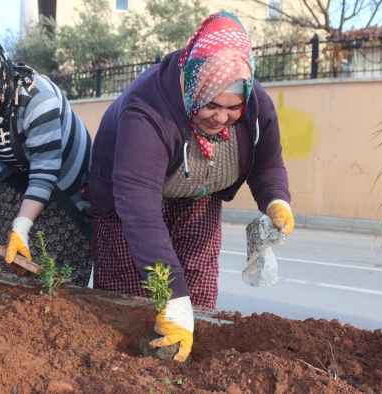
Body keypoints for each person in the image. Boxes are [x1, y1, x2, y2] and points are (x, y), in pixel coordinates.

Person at [85, 12, 294, 362]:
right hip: (129, 207)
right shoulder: (147, 109)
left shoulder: (256, 103)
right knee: (130, 294)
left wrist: (277, 200)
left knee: (196, 285)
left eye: (233, 108)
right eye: (210, 104)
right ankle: (123, 368)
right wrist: (173, 299)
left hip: (199, 194)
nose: (221, 117)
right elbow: (138, 207)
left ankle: (186, 367)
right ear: (192, 83)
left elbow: (268, 163)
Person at [0, 34, 93, 286]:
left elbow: (45, 172)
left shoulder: (37, 99)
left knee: (57, 276)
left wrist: (22, 227)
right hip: (14, 174)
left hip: (65, 183)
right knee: (6, 267)